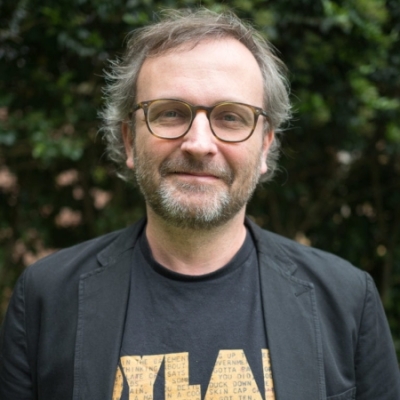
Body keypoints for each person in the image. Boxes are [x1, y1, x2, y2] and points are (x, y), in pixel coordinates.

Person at [0, 8, 399, 400]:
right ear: (128, 140)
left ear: (264, 146)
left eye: (231, 117)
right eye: (171, 113)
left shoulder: (347, 299)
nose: (199, 144)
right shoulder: (45, 298)